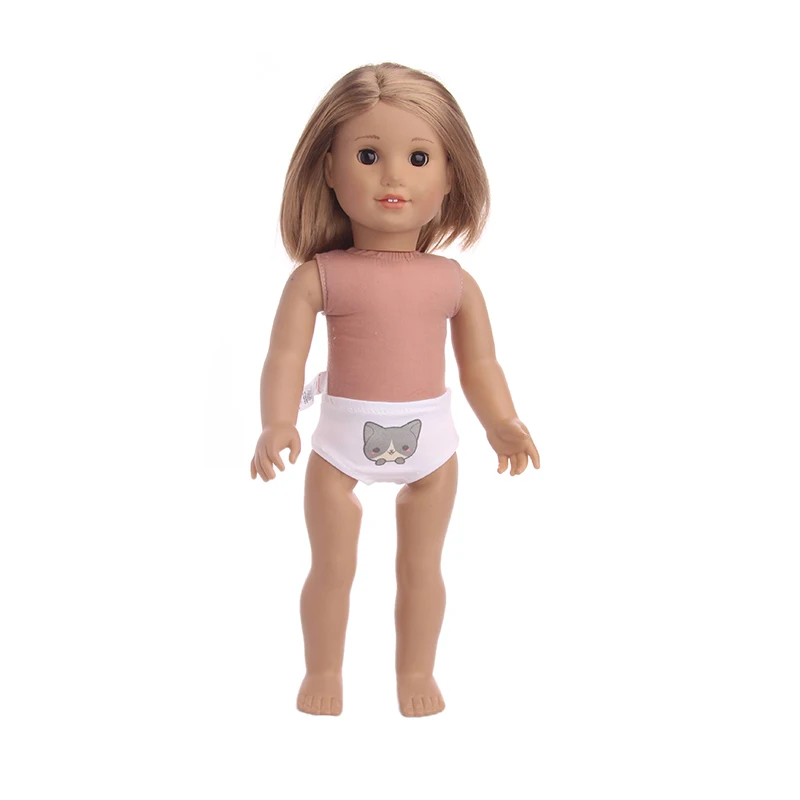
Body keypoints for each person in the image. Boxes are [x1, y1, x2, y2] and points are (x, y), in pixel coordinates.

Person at [250, 63, 540, 717]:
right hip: (337, 447)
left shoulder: (453, 282)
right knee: (332, 568)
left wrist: (502, 421)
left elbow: (480, 366)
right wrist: (277, 422)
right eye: (368, 156)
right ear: (329, 169)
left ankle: (417, 671)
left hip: (432, 448)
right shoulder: (317, 277)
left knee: (422, 568)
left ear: (450, 175)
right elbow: (285, 356)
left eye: (417, 158)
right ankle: (323, 669)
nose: (393, 178)